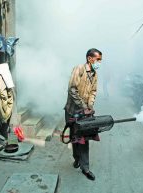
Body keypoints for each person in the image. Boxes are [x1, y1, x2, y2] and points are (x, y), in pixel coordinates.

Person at [64, 48, 102, 181]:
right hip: (72, 111)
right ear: (89, 58)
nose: (99, 62)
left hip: (85, 112)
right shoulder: (79, 69)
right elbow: (72, 89)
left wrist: (90, 106)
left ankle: (85, 168)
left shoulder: (95, 74)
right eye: (98, 59)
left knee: (84, 139)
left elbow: (94, 91)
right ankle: (77, 158)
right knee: (75, 138)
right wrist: (84, 106)